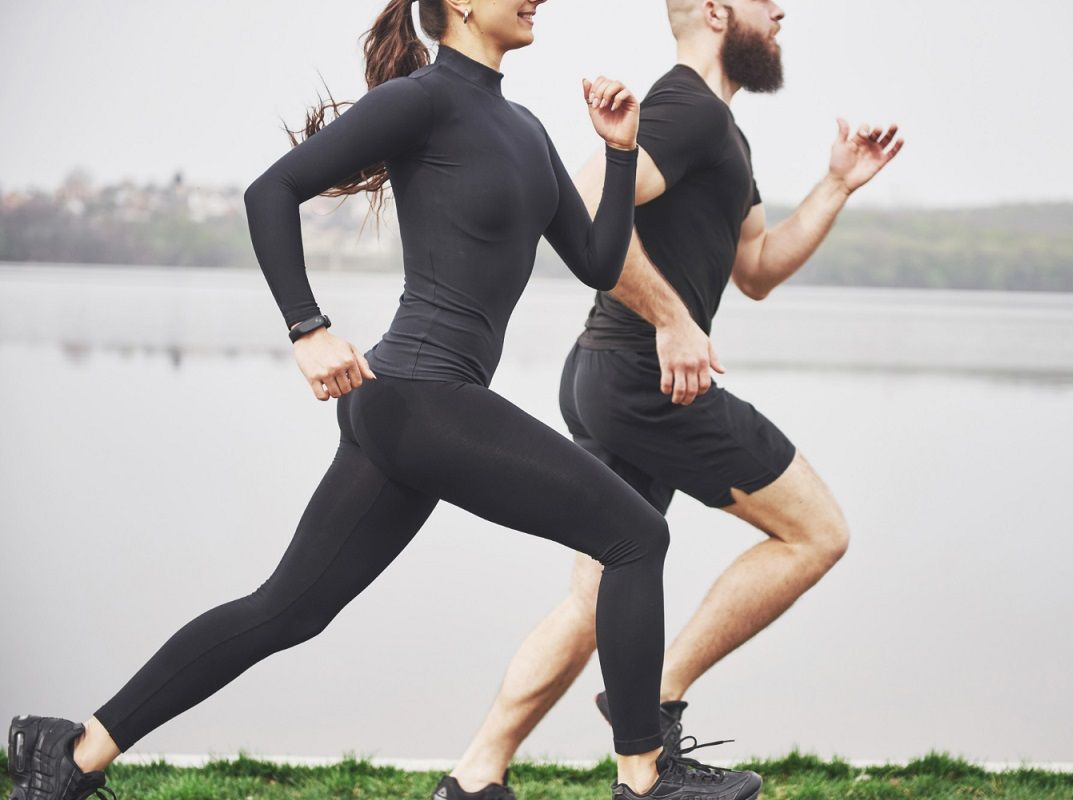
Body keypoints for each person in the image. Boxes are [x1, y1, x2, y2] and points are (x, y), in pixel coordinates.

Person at [5, 2, 764, 799]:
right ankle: (644, 780)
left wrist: (620, 153)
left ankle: (75, 755)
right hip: (418, 395)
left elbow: (600, 263)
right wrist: (308, 328)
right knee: (637, 537)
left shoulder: (529, 131)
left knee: (286, 610)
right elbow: (272, 191)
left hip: (411, 406)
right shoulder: (422, 100)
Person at [438, 0, 905, 795]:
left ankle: (474, 778)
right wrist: (672, 316)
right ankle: (652, 705)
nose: (781, 11)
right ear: (720, 12)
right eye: (766, 1)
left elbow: (755, 267)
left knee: (594, 603)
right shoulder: (685, 106)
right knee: (816, 532)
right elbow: (584, 205)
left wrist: (835, 185)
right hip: (643, 380)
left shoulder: (720, 128)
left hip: (604, 377)